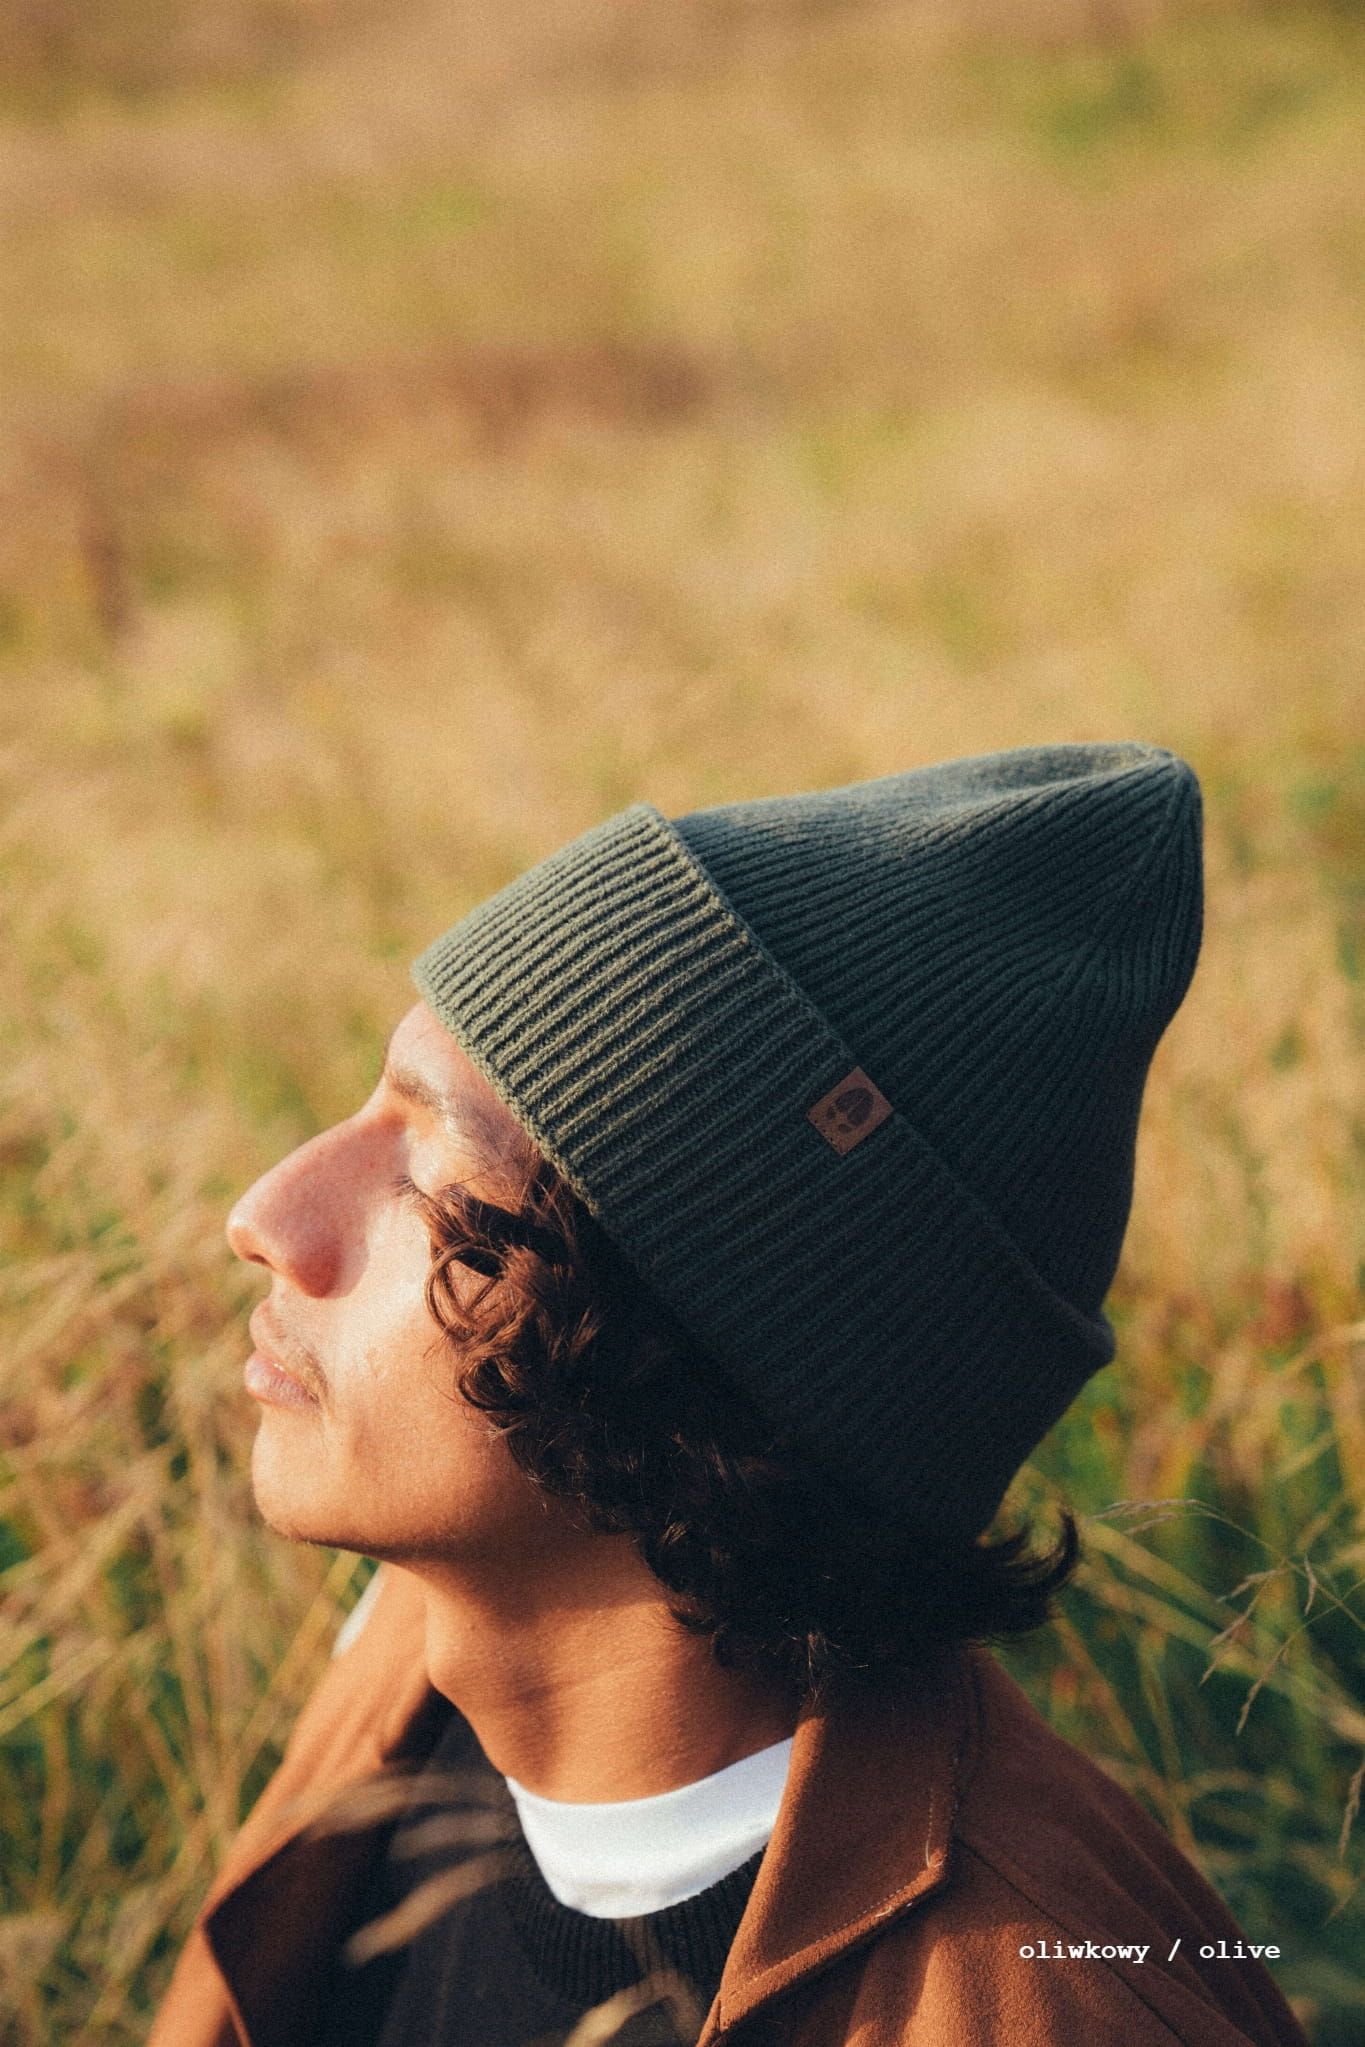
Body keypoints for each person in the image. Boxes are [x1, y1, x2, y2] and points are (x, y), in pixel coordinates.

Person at [149, 744, 1308, 2047]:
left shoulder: (1048, 2006)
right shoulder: (415, 1667)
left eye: (432, 1169)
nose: (265, 1216)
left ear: (699, 1355)